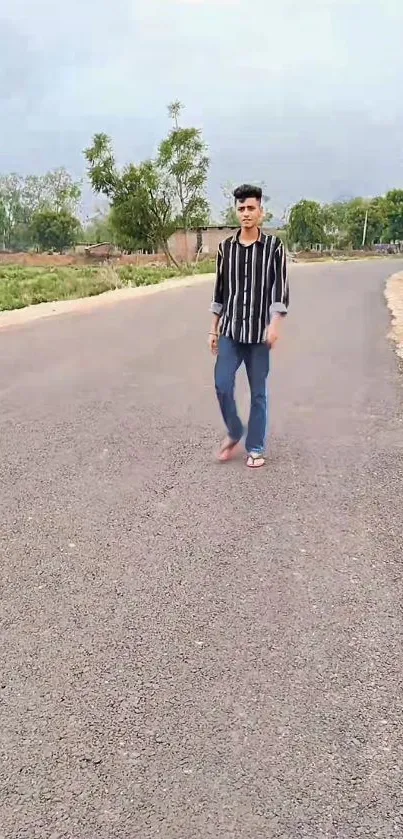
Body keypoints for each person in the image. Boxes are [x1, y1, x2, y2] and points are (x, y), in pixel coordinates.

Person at [209, 184, 289, 468]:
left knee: (258, 392)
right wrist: (213, 328)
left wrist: (275, 324)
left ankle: (255, 446)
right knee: (221, 384)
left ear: (261, 212)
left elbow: (279, 289)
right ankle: (234, 430)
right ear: (236, 211)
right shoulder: (225, 248)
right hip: (231, 331)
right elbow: (220, 292)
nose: (246, 213)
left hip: (258, 335)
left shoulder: (273, 248)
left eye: (251, 208)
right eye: (241, 208)